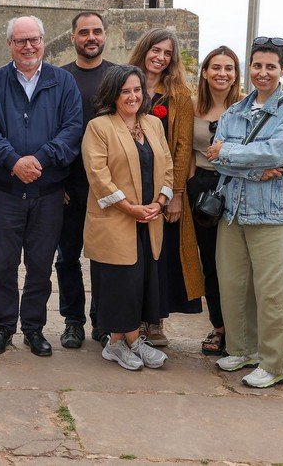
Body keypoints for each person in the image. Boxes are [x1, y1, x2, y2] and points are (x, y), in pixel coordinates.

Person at [0, 16, 82, 357]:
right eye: (20, 41)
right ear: (9, 44)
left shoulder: (62, 82)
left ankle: (33, 329)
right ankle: (4, 326)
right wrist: (13, 161)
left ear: (43, 40)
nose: (28, 46)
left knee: (40, 265)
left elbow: (72, 128)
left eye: (33, 39)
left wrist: (41, 158)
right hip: (6, 191)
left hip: (49, 192)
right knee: (3, 263)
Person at [209, 36, 283, 388]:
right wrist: (250, 166)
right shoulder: (233, 112)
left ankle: (275, 363)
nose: (262, 72)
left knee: (272, 292)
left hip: (272, 215)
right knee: (233, 287)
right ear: (249, 68)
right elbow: (216, 159)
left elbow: (277, 154)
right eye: (257, 65)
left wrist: (230, 152)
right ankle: (242, 349)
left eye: (270, 66)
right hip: (232, 213)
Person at [82, 65, 174, 371]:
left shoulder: (153, 124)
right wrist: (130, 208)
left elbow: (169, 168)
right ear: (113, 94)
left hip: (150, 219)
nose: (133, 96)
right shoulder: (100, 127)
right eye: (125, 91)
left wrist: (160, 202)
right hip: (117, 220)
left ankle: (118, 343)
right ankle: (131, 342)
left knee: (142, 282)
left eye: (137, 90)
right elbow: (98, 176)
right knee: (121, 283)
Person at [127, 29, 204, 346]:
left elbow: (184, 146)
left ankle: (154, 322)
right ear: (144, 50)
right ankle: (128, 320)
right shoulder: (125, 84)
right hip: (129, 186)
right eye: (155, 50)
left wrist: (175, 195)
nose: (160, 57)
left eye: (167, 53)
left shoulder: (180, 95)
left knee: (160, 257)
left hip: (162, 190)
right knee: (130, 256)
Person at [57, 12, 114, 347]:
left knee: (104, 258)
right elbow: (52, 130)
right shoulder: (59, 78)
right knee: (67, 257)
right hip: (69, 186)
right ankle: (73, 321)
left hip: (108, 187)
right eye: (84, 32)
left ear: (104, 35)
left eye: (97, 31)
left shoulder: (118, 77)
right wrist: (58, 181)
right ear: (73, 38)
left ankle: (102, 321)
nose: (91, 37)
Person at [188, 46, 243, 356]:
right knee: (210, 262)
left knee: (235, 263)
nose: (222, 73)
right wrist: (186, 188)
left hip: (236, 187)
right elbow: (187, 151)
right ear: (205, 72)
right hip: (203, 188)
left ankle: (240, 330)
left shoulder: (245, 108)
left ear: (236, 74)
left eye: (229, 68)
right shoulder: (193, 106)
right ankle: (219, 327)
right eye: (216, 67)